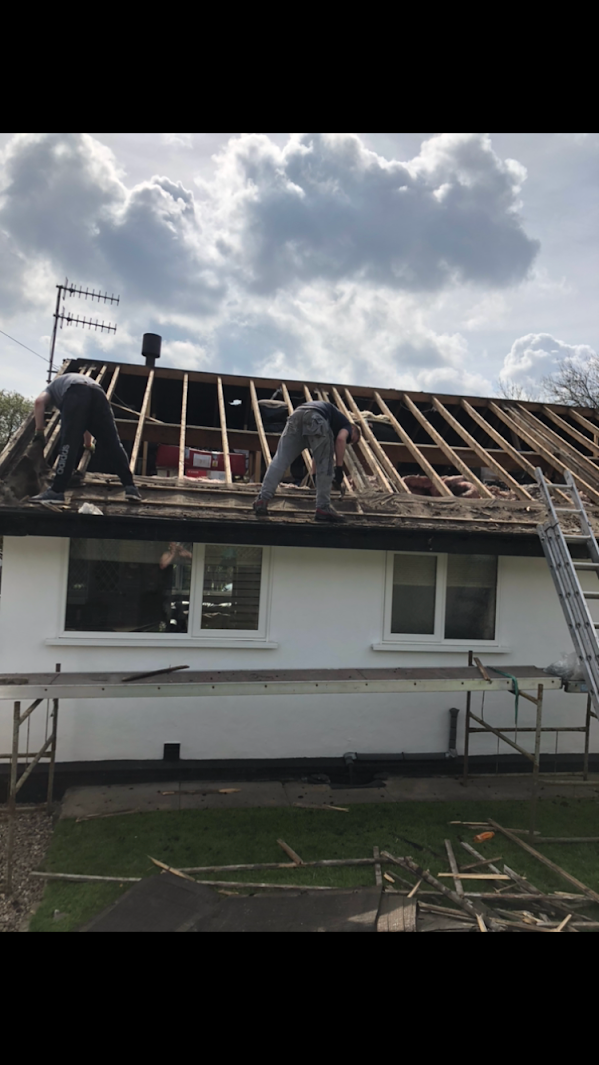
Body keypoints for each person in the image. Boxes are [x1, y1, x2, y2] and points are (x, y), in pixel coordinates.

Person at [29, 373, 141, 504]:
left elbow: (39, 402)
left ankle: (57, 491)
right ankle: (130, 487)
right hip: (99, 394)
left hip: (76, 393)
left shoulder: (52, 388)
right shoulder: (75, 381)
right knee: (113, 444)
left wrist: (39, 431)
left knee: (68, 445)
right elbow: (85, 420)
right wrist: (88, 444)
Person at [253, 400, 361, 523]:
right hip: (316, 418)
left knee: (280, 460)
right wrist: (339, 468)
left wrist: (314, 476)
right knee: (326, 466)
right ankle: (323, 508)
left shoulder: (330, 425)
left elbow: (317, 457)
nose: (348, 441)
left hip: (296, 416)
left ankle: (262, 500)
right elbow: (341, 439)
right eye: (352, 439)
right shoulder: (346, 425)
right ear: (353, 429)